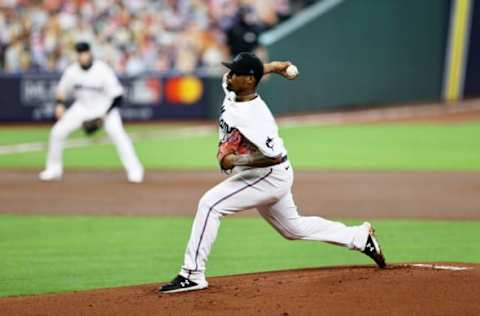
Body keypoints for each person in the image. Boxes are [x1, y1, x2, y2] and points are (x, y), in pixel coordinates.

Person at [159, 52, 386, 294]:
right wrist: (275, 67)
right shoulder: (234, 87)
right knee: (293, 229)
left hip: (270, 175)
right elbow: (239, 74)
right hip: (270, 173)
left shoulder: (256, 118)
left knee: (210, 205)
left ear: (248, 80)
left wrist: (234, 160)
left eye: (236, 72)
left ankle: (192, 274)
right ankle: (360, 237)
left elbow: (273, 155)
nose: (230, 75)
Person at [38, 42, 144, 183]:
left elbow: (118, 97)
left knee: (119, 135)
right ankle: (54, 168)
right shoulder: (72, 71)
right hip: (81, 108)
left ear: (90, 53)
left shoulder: (102, 69)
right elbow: (61, 91)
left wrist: (104, 117)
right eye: (80, 53)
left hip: (105, 108)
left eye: (85, 53)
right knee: (57, 132)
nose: (83, 56)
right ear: (77, 55)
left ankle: (135, 170)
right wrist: (59, 105)